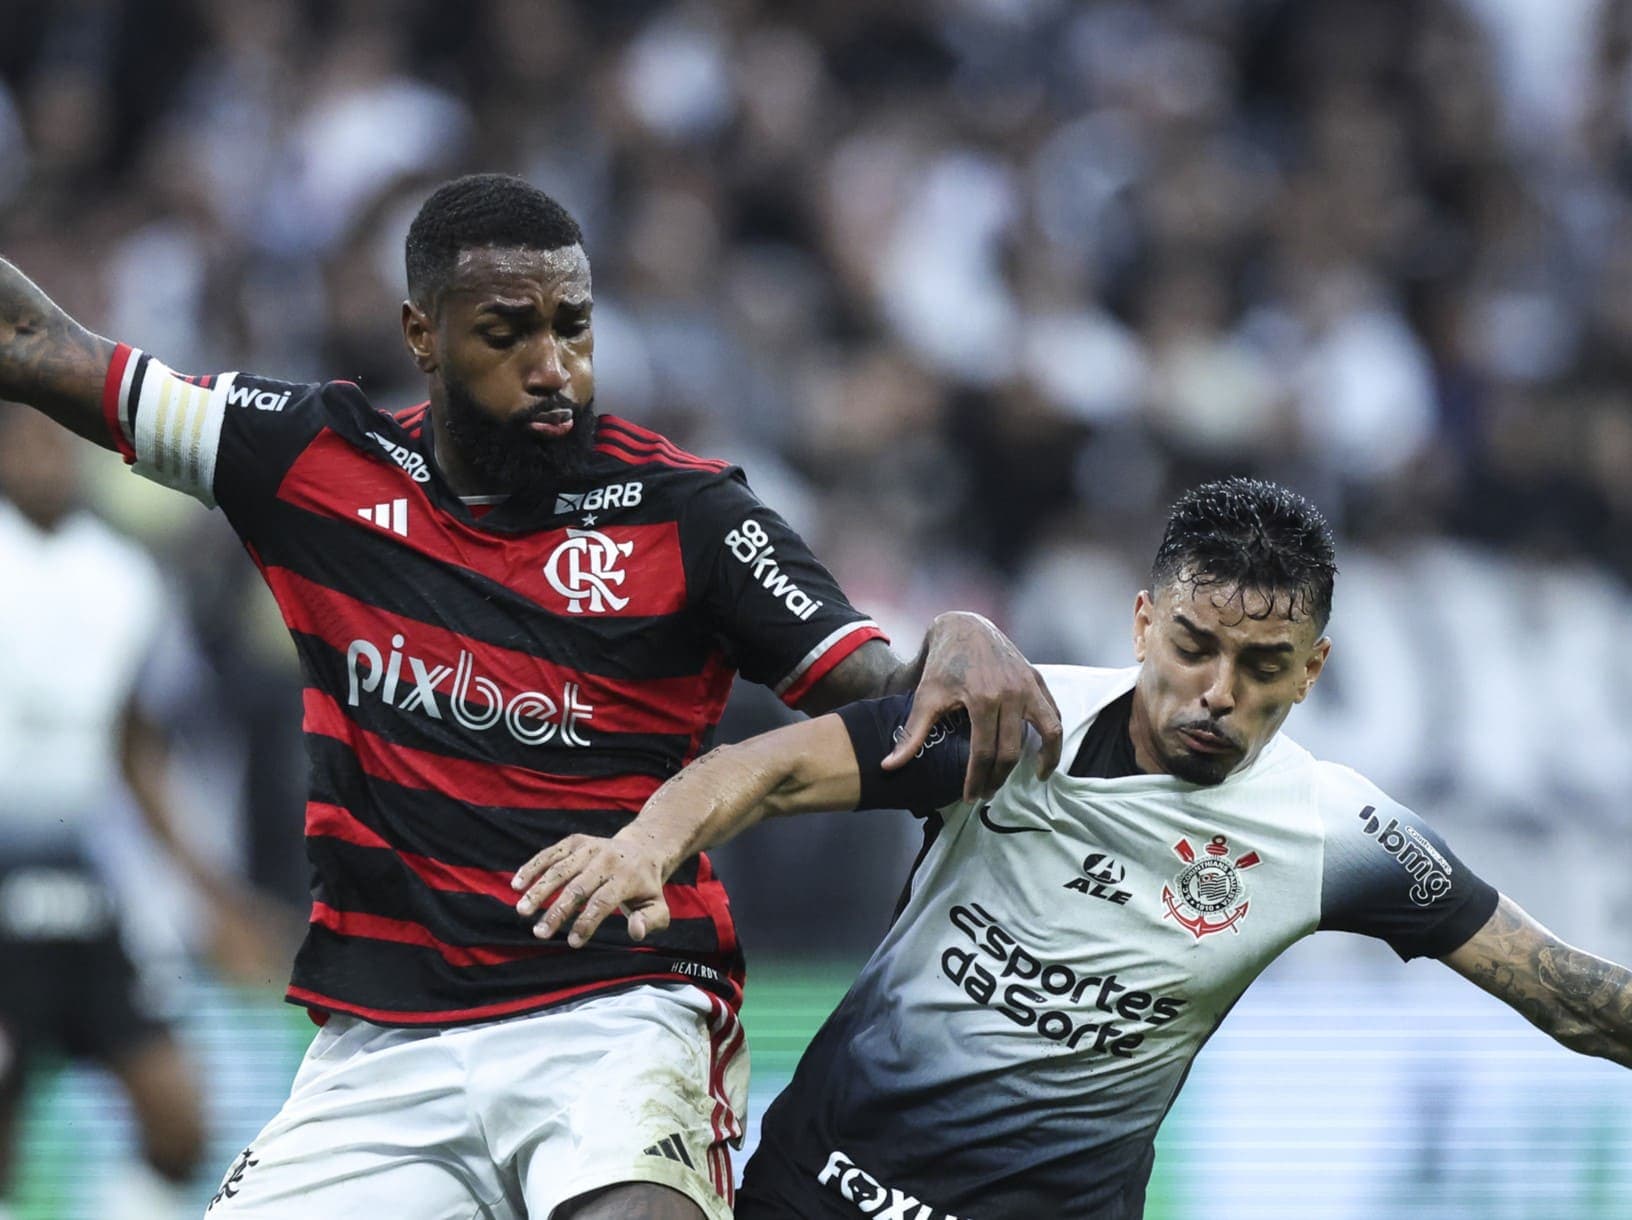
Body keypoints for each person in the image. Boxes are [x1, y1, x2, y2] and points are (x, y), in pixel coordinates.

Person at [0, 172, 1060, 1219]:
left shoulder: (688, 515)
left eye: (575, 326)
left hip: (615, 1009)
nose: (554, 366)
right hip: (383, 1045)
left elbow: (907, 707)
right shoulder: (310, 460)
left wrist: (954, 641)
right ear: (423, 332)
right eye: (508, 332)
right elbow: (38, 344)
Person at [519, 476, 1632, 1219]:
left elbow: (1571, 997)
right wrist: (642, 845)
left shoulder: (1337, 831)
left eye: (1263, 666)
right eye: (1194, 645)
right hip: (818, 1195)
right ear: (1145, 620)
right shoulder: (1010, 719)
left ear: (1314, 669)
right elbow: (765, 769)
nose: (1217, 692)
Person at [0, 405, 286, 1219]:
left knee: (178, 1119)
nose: (44, 461)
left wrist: (215, 895)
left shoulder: (121, 579)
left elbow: (137, 755)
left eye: (56, 444)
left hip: (83, 870)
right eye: (23, 444)